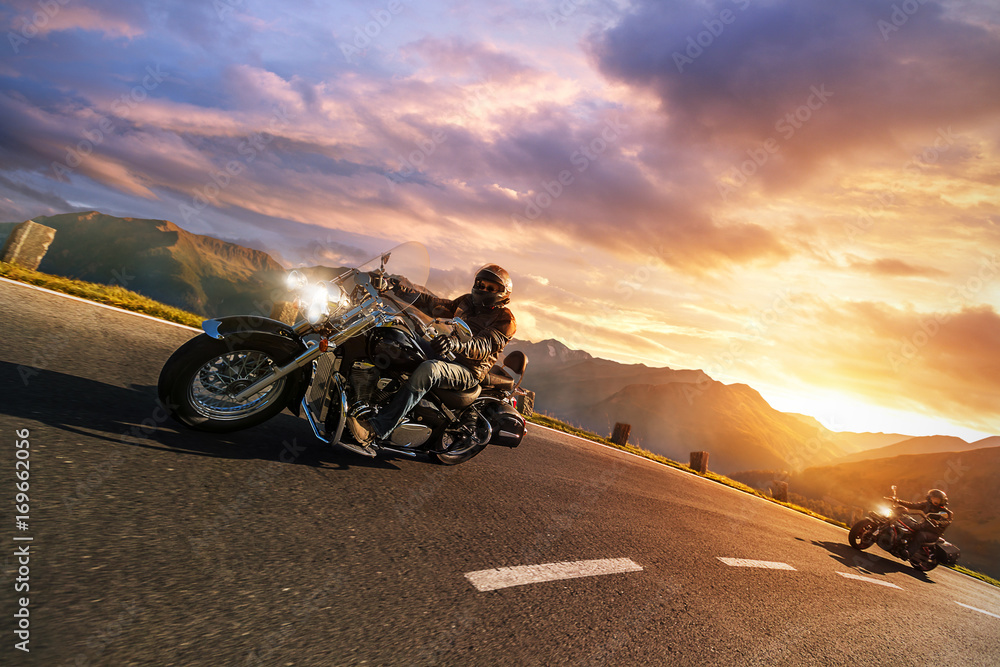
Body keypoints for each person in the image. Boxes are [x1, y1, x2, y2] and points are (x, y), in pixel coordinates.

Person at [348, 264, 516, 455]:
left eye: (491, 288)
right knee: (397, 339)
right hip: (447, 354)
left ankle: (375, 429)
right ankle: (363, 398)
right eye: (481, 284)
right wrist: (394, 287)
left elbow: (483, 345)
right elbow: (434, 304)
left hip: (468, 369)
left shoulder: (506, 319)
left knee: (428, 370)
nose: (483, 289)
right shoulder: (468, 302)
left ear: (502, 292)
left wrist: (455, 344)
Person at [895, 489, 952, 560]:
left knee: (921, 535)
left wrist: (937, 522)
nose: (935, 500)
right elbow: (913, 505)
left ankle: (908, 553)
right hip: (922, 526)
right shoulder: (927, 505)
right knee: (906, 522)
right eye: (933, 498)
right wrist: (898, 501)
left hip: (933, 533)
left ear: (942, 501)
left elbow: (947, 521)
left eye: (937, 499)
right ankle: (898, 543)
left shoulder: (946, 512)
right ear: (930, 498)